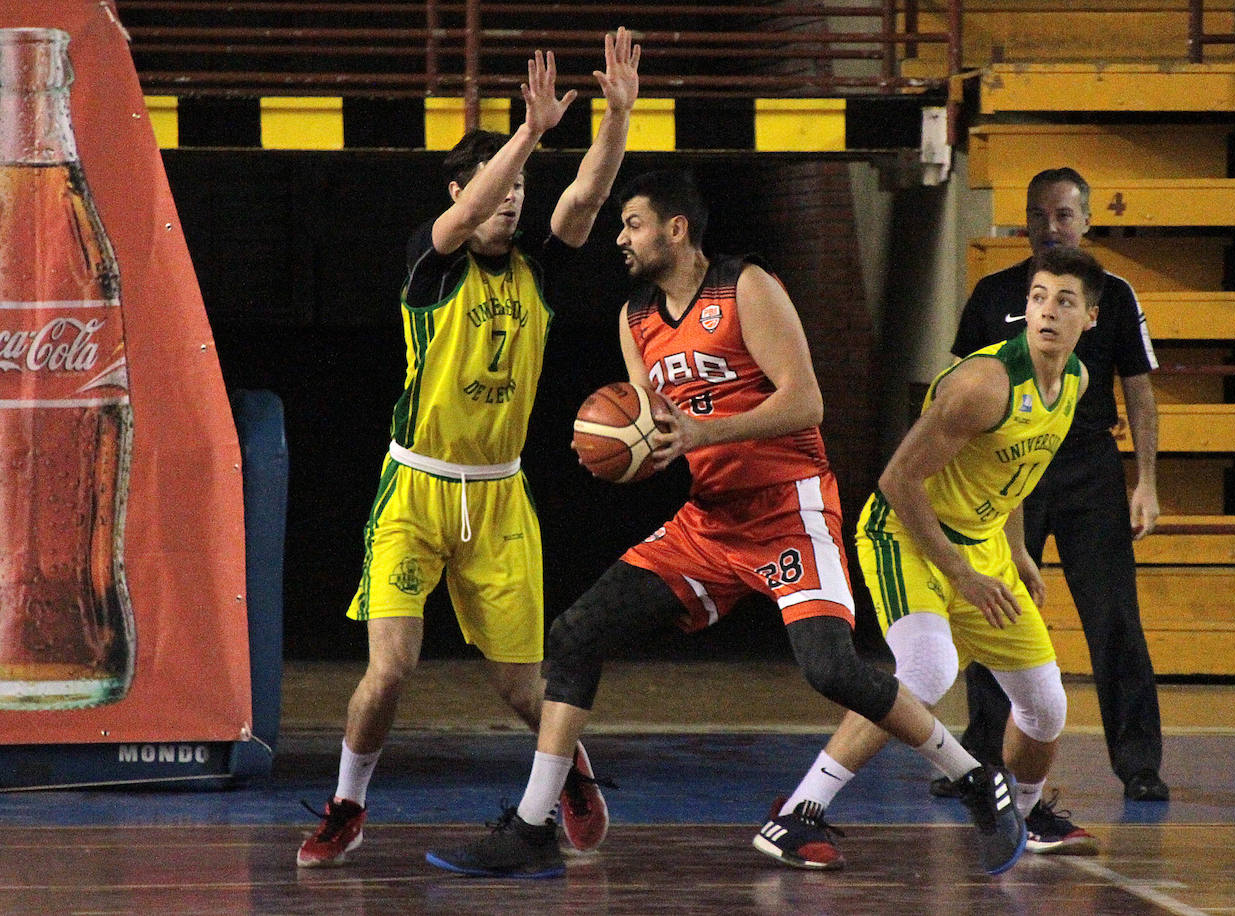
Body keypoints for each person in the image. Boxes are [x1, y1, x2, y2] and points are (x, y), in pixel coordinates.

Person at [424, 170, 1026, 880]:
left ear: (676, 230)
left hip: (790, 508)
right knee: (575, 634)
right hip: (710, 522)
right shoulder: (634, 318)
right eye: (620, 226)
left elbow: (807, 403)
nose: (620, 237)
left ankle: (971, 778)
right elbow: (655, 427)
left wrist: (704, 432)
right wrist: (622, 450)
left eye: (634, 223)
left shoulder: (746, 288)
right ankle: (532, 827)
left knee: (831, 667)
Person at [296, 29, 642, 868]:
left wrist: (616, 119)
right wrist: (527, 131)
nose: (515, 199)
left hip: (498, 496)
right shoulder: (432, 261)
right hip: (414, 490)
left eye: (523, 186)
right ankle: (348, 804)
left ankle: (575, 778)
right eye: (501, 185)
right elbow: (462, 215)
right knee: (390, 671)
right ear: (463, 188)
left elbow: (586, 202)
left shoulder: (537, 272)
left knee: (525, 688)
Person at [756, 245, 1105, 872]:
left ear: (1091, 318)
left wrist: (1017, 550)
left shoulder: (1075, 381)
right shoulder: (983, 384)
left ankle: (1021, 819)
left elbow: (1018, 467)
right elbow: (897, 481)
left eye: (1064, 301)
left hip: (984, 546)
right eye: (1037, 297)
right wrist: (960, 572)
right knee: (927, 670)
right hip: (906, 536)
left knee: (1047, 705)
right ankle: (798, 813)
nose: (1047, 312)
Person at [936, 167, 1169, 803]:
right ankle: (980, 760)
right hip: (1011, 470)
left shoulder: (1113, 294)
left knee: (1115, 615)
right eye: (1039, 215)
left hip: (1089, 469)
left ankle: (1139, 762)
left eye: (1064, 215)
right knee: (995, 609)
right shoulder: (993, 292)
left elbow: (1140, 392)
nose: (1050, 227)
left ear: (1086, 221)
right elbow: (959, 390)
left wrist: (1145, 480)